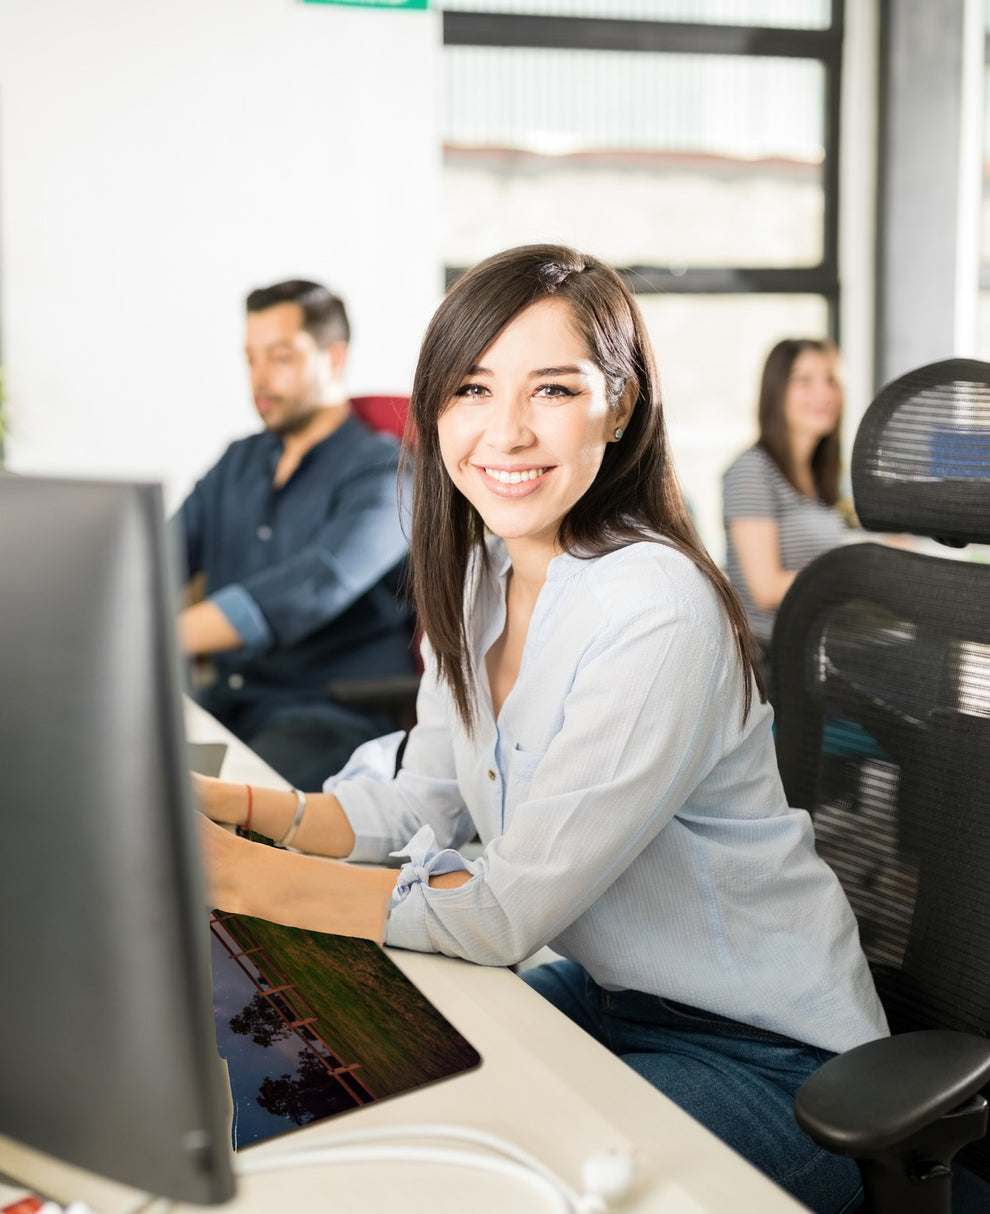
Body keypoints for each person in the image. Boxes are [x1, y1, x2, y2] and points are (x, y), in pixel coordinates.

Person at [194, 246, 887, 1214]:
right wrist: (217, 806)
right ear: (434, 408)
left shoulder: (656, 607)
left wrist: (226, 874)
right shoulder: (481, 572)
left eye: (552, 388)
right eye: (471, 388)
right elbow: (414, 797)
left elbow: (500, 909)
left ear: (618, 404)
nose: (505, 430)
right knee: (343, 1090)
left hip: (771, 1057)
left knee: (482, 1193)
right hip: (608, 998)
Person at [174, 279, 415, 790]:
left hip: (329, 714)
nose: (258, 378)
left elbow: (316, 585)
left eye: (279, 357)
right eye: (250, 359)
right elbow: (151, 561)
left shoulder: (388, 473)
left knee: (210, 817)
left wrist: (157, 636)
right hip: (230, 702)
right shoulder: (237, 461)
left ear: (333, 358)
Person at [722, 338, 858, 679]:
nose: (823, 393)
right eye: (804, 380)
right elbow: (765, 589)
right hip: (774, 659)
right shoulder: (751, 470)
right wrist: (861, 569)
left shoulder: (820, 479)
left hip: (818, 649)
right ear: (776, 390)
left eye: (831, 380)